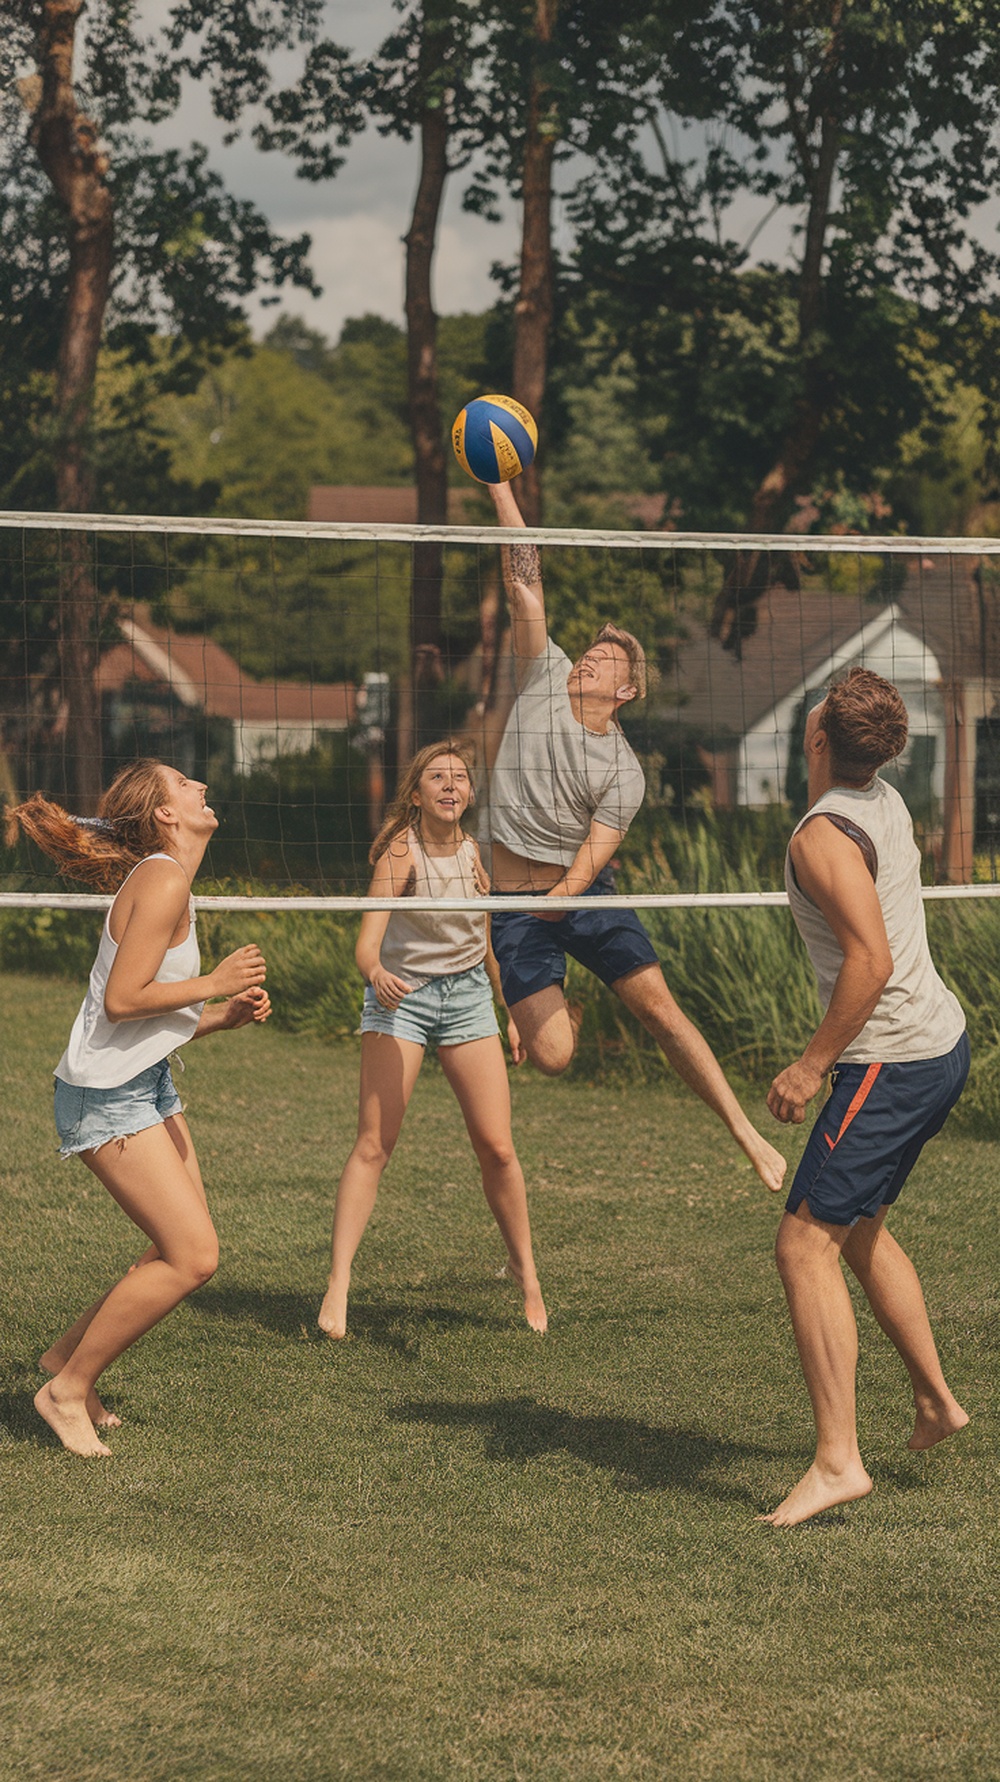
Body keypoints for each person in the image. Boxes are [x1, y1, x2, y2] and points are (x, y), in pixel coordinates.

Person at [484, 479, 787, 1194]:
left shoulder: (624, 771)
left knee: (658, 1008)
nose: (588, 658)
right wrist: (499, 486)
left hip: (581, 890)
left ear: (626, 691)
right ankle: (565, 1002)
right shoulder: (543, 671)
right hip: (511, 896)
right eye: (590, 650)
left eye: (606, 660)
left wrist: (561, 899)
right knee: (553, 1056)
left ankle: (745, 1133)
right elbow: (525, 581)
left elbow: (589, 866)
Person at [7, 761, 271, 1458]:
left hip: (141, 1079)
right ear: (163, 813)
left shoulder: (167, 877)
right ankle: (64, 1395)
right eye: (184, 783)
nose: (199, 786)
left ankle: (66, 1363)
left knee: (177, 1246)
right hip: (106, 1094)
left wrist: (219, 1015)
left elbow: (136, 1011)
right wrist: (215, 980)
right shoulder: (162, 879)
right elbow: (124, 1000)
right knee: (193, 1256)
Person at [763, 668, 969, 1527]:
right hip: (937, 1045)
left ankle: (839, 1461)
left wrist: (811, 1067)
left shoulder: (823, 837)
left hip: (891, 1061)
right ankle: (935, 1403)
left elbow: (871, 964)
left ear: (817, 738)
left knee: (804, 1244)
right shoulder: (877, 797)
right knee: (859, 1230)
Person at [318, 741, 547, 1339]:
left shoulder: (475, 853)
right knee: (374, 1144)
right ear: (415, 793)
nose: (451, 785)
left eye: (460, 778)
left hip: (469, 996)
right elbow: (366, 946)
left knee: (497, 1148)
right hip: (404, 997)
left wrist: (511, 1010)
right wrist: (376, 975)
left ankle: (527, 1277)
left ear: (470, 794)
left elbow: (488, 942)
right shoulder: (401, 852)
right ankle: (338, 1284)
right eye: (437, 777)